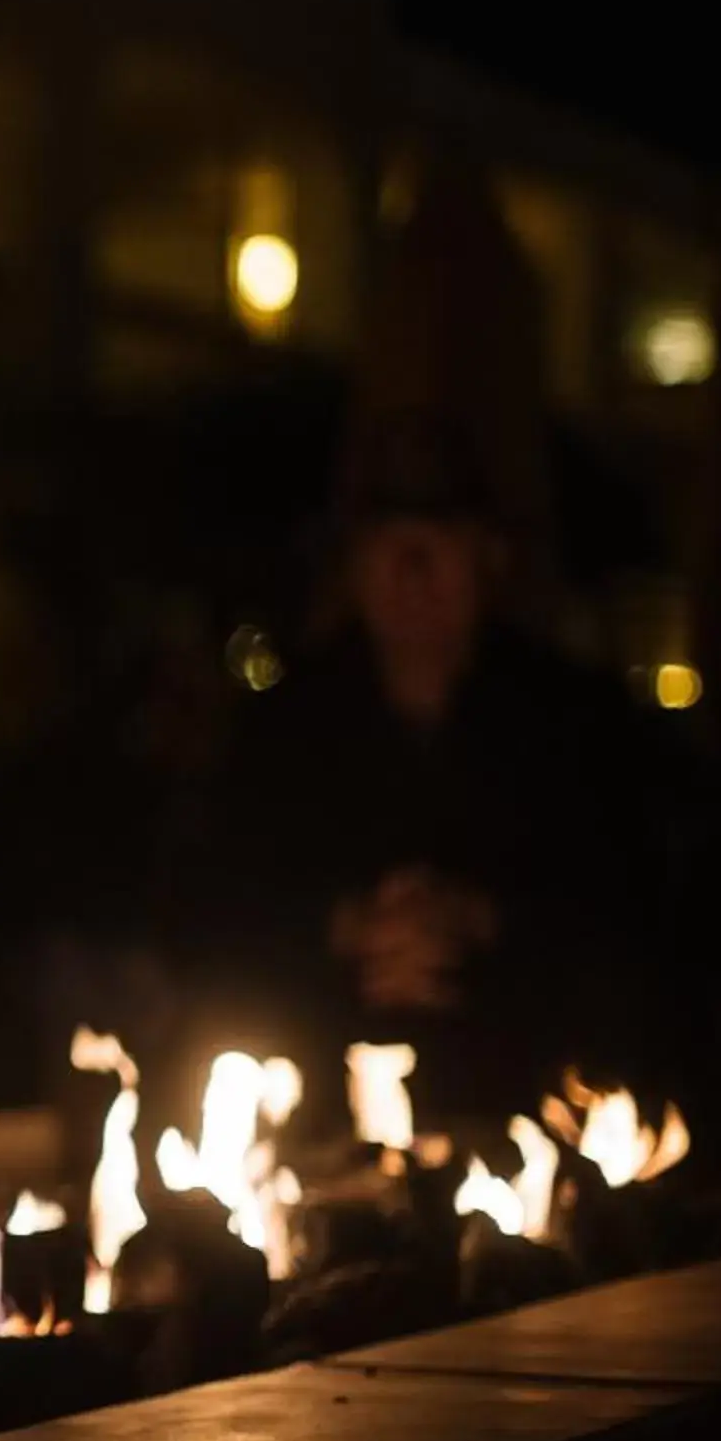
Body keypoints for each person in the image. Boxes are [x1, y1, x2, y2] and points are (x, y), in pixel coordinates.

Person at [185, 420, 660, 1137]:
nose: (412, 572)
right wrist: (346, 928)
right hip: (308, 1116)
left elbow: (635, 902)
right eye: (388, 543)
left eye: (437, 543)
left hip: (535, 1107)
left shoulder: (574, 722)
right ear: (354, 563)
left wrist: (475, 922)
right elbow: (202, 908)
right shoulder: (281, 728)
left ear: (487, 556)